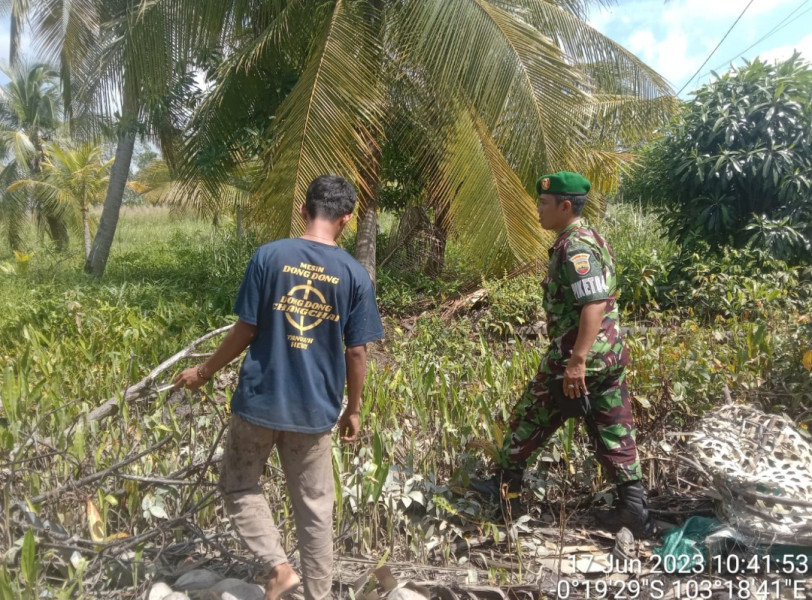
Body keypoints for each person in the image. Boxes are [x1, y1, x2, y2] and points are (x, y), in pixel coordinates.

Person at [173, 174, 385, 600]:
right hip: (314, 410)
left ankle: (278, 567)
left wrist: (204, 372)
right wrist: (354, 408)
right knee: (315, 508)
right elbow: (357, 352)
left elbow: (245, 330)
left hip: (260, 401)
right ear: (346, 219)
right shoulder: (354, 274)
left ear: (304, 210)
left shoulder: (269, 256)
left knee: (239, 486)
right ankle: (318, 595)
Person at [469, 171, 656, 539]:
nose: (538, 209)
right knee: (614, 427)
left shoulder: (576, 247)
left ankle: (506, 494)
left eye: (543, 203)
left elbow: (593, 304)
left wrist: (577, 361)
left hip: (577, 358)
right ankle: (633, 507)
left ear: (565, 206)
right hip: (609, 356)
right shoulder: (590, 238)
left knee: (527, 419)